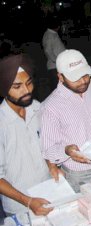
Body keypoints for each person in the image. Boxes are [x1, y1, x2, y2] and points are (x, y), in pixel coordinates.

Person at [40, 49, 91, 193]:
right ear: (61, 77)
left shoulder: (90, 90)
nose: (83, 81)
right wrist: (66, 150)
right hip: (78, 175)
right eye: (75, 78)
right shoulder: (51, 107)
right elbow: (48, 150)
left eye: (85, 75)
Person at [0, 54, 52, 216]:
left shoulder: (36, 108)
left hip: (49, 192)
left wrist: (52, 166)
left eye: (29, 83)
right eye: (17, 86)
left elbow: (45, 143)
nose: (26, 91)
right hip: (20, 206)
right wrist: (28, 201)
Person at [42, 17, 66, 91]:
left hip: (57, 66)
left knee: (61, 86)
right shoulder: (50, 35)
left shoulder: (52, 34)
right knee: (57, 87)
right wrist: (57, 61)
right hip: (54, 67)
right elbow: (48, 51)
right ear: (58, 26)